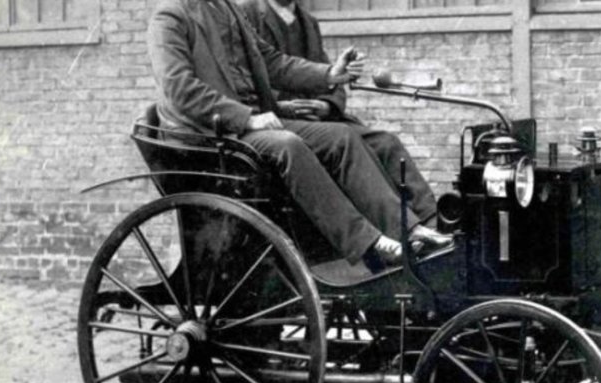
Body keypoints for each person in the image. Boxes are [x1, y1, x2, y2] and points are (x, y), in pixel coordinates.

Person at [147, 0, 450, 271]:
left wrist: (328, 74)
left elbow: (272, 62)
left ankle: (408, 230)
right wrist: (246, 117)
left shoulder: (228, 9)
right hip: (212, 134)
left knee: (342, 137)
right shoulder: (170, 16)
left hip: (251, 125)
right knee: (288, 145)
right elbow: (179, 88)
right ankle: (369, 243)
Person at [236, 0, 439, 227]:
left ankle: (434, 221)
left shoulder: (307, 22)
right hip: (279, 121)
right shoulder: (245, 13)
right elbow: (251, 79)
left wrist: (326, 105)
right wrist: (282, 106)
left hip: (318, 119)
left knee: (386, 143)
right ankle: (401, 229)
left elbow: (330, 77)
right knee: (343, 138)